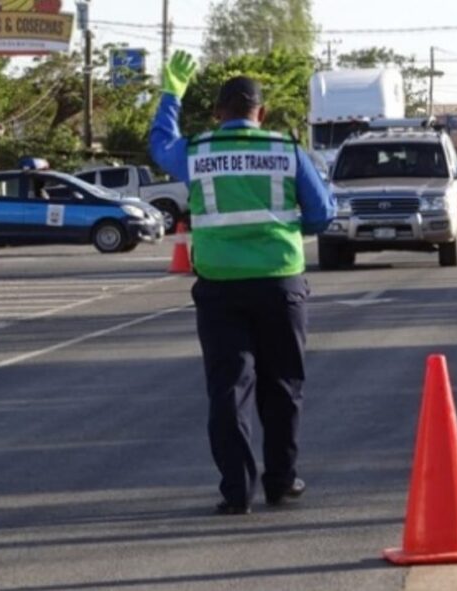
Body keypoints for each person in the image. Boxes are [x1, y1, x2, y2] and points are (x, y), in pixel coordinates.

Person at [148, 51, 336, 515]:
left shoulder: (197, 151)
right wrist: (289, 228)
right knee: (283, 386)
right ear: (262, 113)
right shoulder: (286, 150)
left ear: (218, 113)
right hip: (280, 283)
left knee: (229, 389)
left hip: (220, 286)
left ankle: (236, 491)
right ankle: (281, 481)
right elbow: (323, 214)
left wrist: (172, 92)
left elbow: (159, 144)